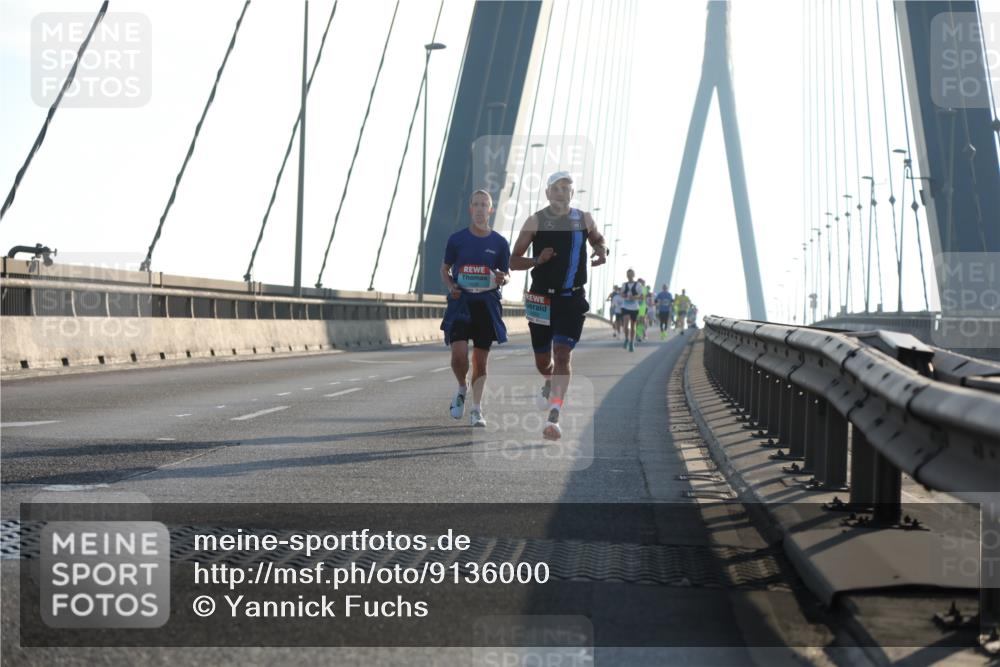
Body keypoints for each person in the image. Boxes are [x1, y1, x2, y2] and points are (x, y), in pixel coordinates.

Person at [510, 171, 607, 440]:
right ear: (547, 193)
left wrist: (601, 251)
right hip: (541, 299)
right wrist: (536, 260)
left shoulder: (584, 219)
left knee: (562, 354)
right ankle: (548, 380)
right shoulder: (535, 221)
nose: (561, 192)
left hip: (571, 298)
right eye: (556, 188)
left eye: (566, 188)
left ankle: (554, 415)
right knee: (544, 362)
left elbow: (598, 239)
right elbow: (513, 261)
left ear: (572, 193)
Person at [440, 189, 511, 427]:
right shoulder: (457, 239)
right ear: (471, 209)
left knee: (480, 361)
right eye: (476, 204)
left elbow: (506, 273)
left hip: (486, 305)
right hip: (461, 302)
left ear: (490, 210)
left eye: (484, 205)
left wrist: (503, 278)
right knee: (458, 355)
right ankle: (462, 387)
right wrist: (451, 286)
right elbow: (445, 269)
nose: (480, 209)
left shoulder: (499, 243)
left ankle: (477, 409)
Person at [619, 269, 642, 352]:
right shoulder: (624, 285)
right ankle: (626, 339)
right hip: (625, 307)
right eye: (628, 274)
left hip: (634, 308)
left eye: (631, 274)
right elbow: (621, 293)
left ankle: (632, 342)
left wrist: (634, 297)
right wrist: (623, 295)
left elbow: (641, 296)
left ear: (633, 275)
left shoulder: (638, 285)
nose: (629, 276)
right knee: (626, 324)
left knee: (633, 326)